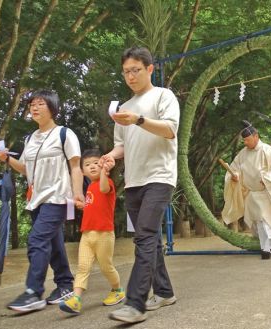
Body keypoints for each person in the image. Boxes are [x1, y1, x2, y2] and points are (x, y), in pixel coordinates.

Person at [102, 47, 179, 324]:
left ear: (149, 69)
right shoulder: (123, 108)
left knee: (144, 236)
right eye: (126, 72)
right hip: (133, 181)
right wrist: (110, 157)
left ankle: (135, 304)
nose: (130, 76)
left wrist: (139, 120)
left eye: (135, 70)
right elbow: (121, 145)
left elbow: (170, 130)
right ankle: (165, 292)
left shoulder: (163, 96)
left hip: (160, 176)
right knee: (152, 241)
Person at [0, 90, 84, 313]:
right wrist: (7, 159)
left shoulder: (65, 134)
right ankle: (65, 285)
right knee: (53, 244)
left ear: (52, 108)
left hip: (58, 197)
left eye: (40, 104)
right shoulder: (30, 138)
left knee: (36, 240)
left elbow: (75, 166)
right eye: (31, 105)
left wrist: (77, 194)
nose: (34, 108)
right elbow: (26, 169)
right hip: (37, 199)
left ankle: (33, 292)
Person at [59, 149, 125, 314]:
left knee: (106, 267)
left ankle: (117, 290)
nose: (92, 167)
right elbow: (94, 205)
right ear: (82, 171)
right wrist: (83, 206)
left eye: (96, 163)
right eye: (88, 165)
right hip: (87, 234)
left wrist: (104, 171)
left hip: (104, 234)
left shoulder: (107, 182)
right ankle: (76, 299)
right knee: (82, 267)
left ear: (102, 165)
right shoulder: (89, 188)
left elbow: (103, 190)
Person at [222, 121, 271, 259]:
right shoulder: (242, 154)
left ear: (256, 136)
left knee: (265, 220)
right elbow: (235, 168)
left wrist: (267, 178)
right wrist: (234, 176)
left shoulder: (267, 150)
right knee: (258, 223)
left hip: (265, 192)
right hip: (252, 193)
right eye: (244, 140)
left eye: (248, 139)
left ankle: (266, 249)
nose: (245, 143)